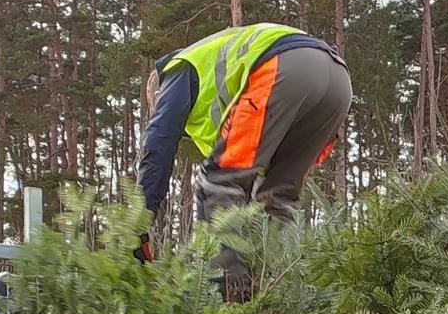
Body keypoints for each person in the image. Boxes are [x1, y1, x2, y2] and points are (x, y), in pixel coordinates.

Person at [137, 22, 353, 298]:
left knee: (218, 184)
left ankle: (228, 305)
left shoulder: (178, 69)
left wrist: (139, 221)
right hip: (337, 83)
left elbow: (158, 142)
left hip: (285, 67)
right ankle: (281, 301)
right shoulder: (217, 89)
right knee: (278, 199)